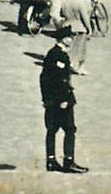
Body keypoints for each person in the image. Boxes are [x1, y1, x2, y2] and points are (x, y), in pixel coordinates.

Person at [40, 31, 88, 173]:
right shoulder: (58, 55)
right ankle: (68, 161)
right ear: (62, 38)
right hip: (61, 100)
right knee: (69, 129)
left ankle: (51, 160)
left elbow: (43, 78)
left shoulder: (52, 54)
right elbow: (58, 80)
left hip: (52, 100)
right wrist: (63, 100)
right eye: (70, 37)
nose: (72, 39)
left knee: (52, 130)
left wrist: (45, 99)